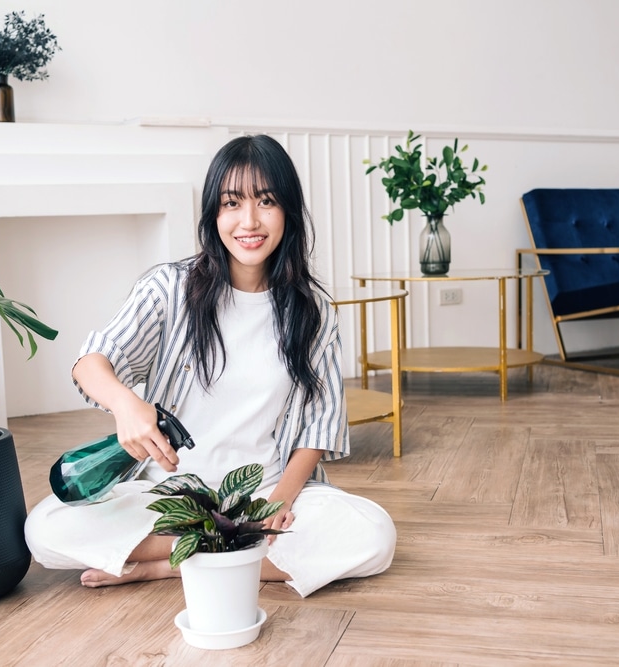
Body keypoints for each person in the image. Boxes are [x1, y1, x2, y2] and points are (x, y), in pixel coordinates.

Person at [24, 135, 395, 597]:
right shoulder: (169, 288)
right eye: (232, 203)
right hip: (167, 496)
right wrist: (126, 405)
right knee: (46, 530)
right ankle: (229, 556)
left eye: (267, 201)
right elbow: (91, 362)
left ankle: (171, 567)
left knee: (374, 536)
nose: (250, 221)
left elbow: (319, 428)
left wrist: (277, 504)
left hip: (265, 492)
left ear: (289, 213)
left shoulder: (313, 309)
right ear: (213, 214)